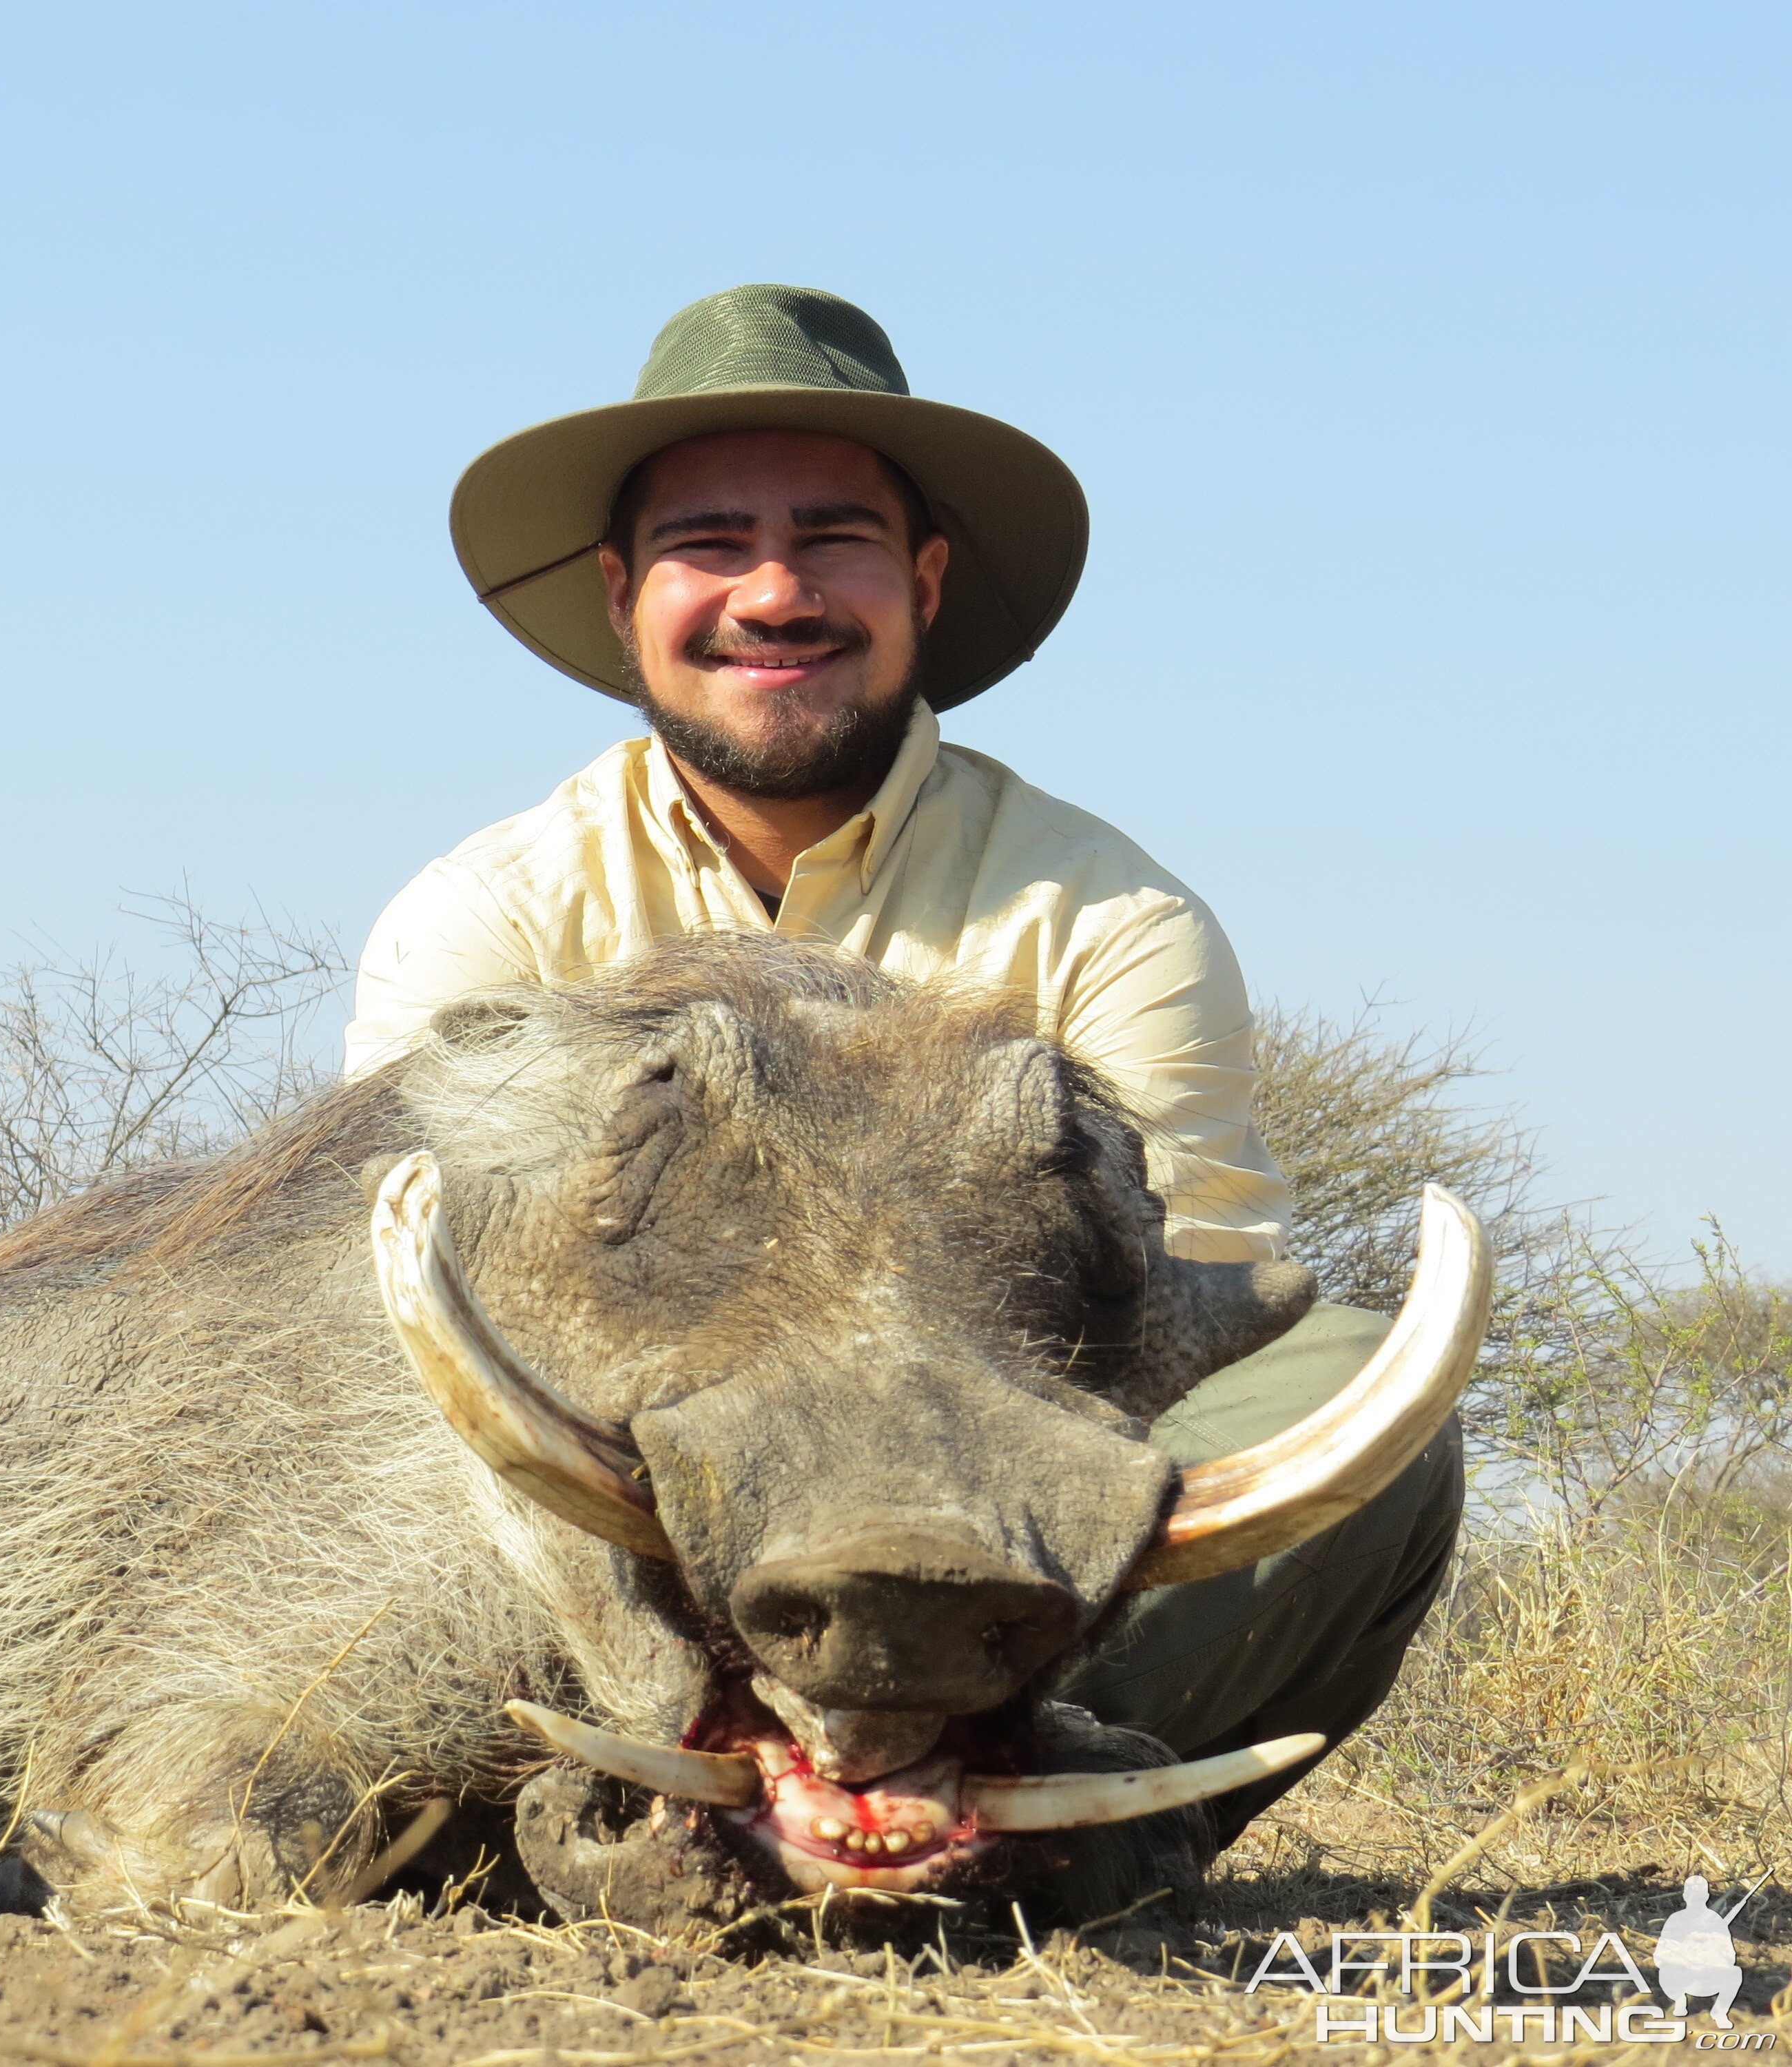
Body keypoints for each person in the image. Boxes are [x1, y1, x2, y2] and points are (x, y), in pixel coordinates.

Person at [347, 284, 1461, 1837]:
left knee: (1344, 1385)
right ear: (620, 593)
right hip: (639, 1561)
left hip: (998, 1546)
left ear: (924, 580)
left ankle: (998, 1777)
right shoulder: (483, 919)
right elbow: (414, 1346)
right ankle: (686, 1783)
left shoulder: (1108, 917)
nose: (775, 592)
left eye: (833, 538)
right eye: (711, 542)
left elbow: (1190, 1332)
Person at [1655, 1876, 1745, 2028]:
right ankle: (1679, 2002)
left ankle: (1720, 2012)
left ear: (1707, 1896)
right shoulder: (1675, 1919)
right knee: (1666, 1971)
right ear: (1684, 1896)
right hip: (1681, 1977)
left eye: (1699, 1895)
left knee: (1735, 1973)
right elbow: (1660, 1956)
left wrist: (1711, 1952)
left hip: (1708, 1977)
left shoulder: (1716, 1921)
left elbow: (1730, 1957)